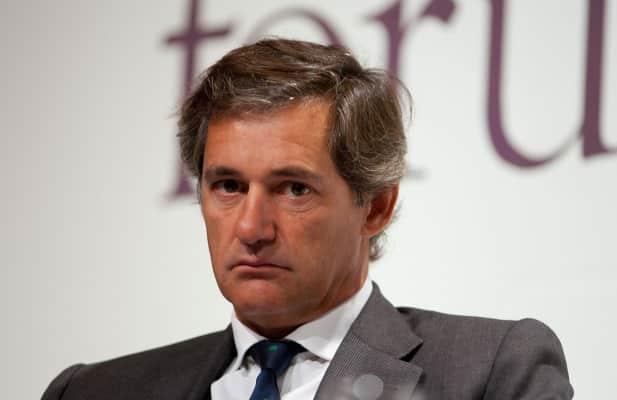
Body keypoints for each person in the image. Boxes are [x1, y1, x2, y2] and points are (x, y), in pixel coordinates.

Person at [42, 38, 573, 400]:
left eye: (294, 189)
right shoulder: (92, 392)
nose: (251, 229)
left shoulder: (490, 372)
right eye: (228, 186)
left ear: (376, 206)